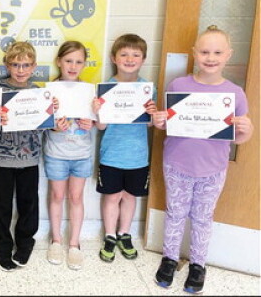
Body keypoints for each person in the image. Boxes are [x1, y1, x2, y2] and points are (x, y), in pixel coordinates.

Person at [152, 26, 253, 294]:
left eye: (218, 52)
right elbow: (168, 124)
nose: (211, 57)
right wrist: (159, 121)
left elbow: (239, 138)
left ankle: (198, 264)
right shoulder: (179, 85)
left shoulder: (235, 94)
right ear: (195, 53)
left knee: (202, 217)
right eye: (205, 51)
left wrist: (248, 131)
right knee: (175, 213)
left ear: (228, 55)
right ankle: (169, 258)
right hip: (176, 164)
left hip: (213, 169)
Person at [92, 34, 158, 263]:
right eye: (124, 54)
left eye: (136, 55)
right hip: (111, 155)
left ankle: (124, 233)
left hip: (138, 156)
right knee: (111, 197)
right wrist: (97, 110)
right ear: (114, 58)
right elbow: (100, 126)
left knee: (130, 197)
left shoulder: (147, 88)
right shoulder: (107, 87)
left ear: (143, 59)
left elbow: (151, 124)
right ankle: (110, 235)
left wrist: (152, 112)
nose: (130, 59)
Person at [0, 41, 44, 271]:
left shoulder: (39, 92)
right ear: (6, 65)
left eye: (26, 65)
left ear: (34, 67)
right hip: (1, 158)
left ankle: (25, 242)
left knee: (28, 204)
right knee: (0, 205)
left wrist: (51, 110)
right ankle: (3, 244)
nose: (20, 70)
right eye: (15, 64)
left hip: (29, 158)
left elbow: (45, 126)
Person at [44, 41, 96, 270]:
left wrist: (92, 122)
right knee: (57, 196)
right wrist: (53, 126)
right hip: (56, 153)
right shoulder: (49, 91)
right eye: (68, 61)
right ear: (59, 62)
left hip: (82, 153)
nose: (73, 66)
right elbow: (41, 124)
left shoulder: (90, 91)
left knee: (76, 198)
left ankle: (74, 244)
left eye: (78, 62)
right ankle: (56, 239)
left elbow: (100, 123)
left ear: (84, 64)